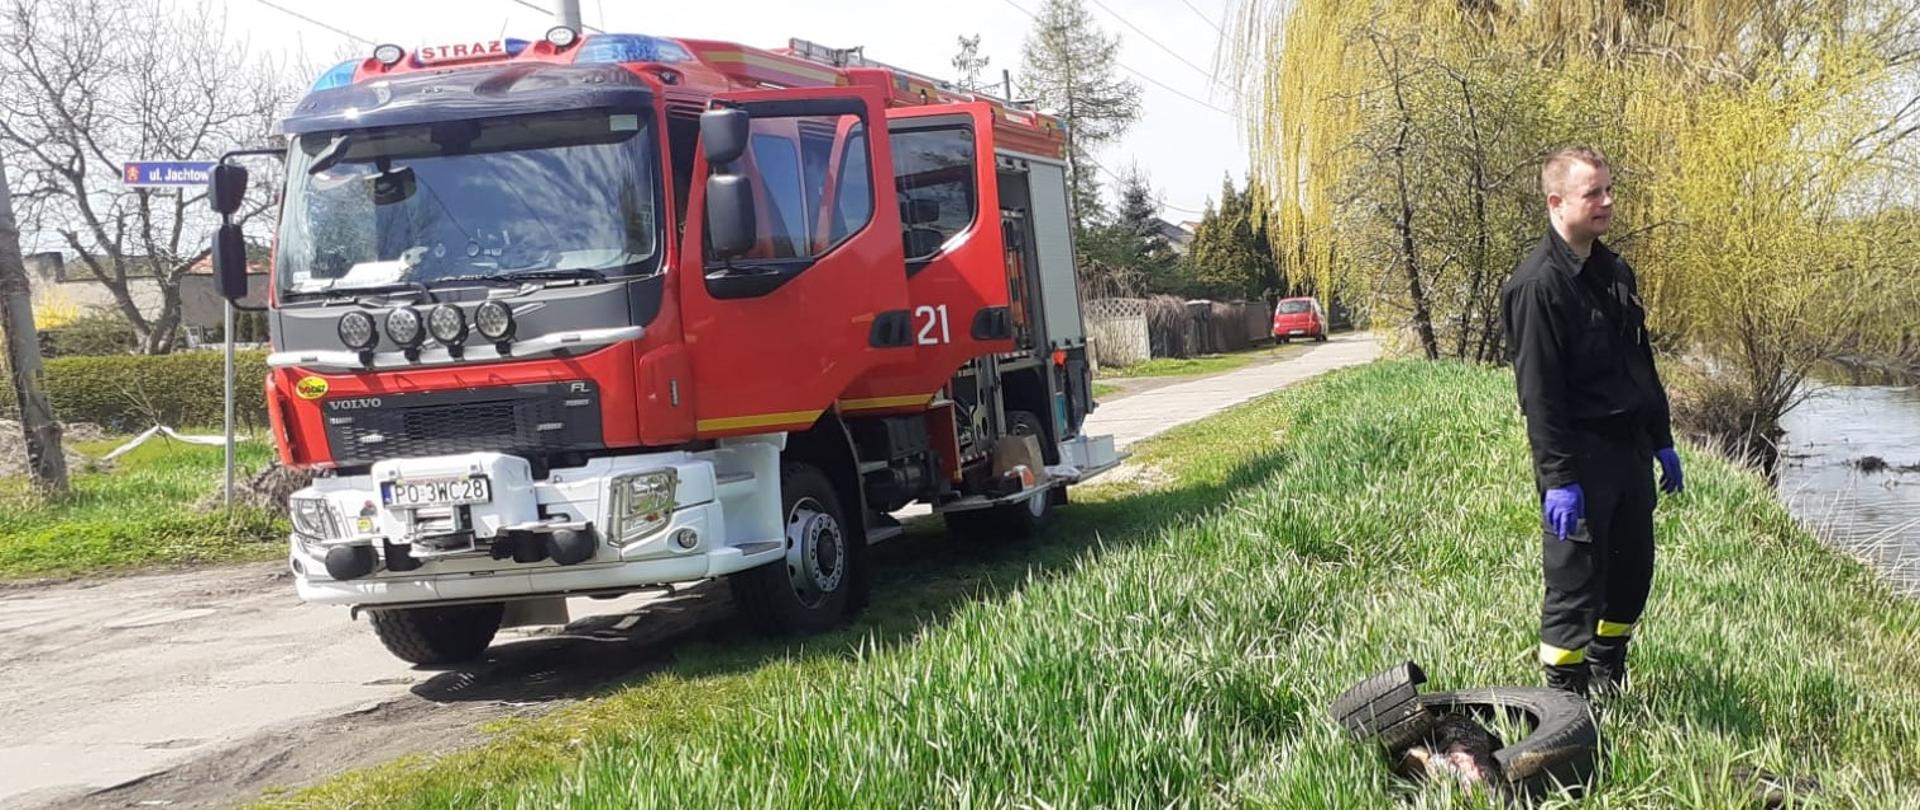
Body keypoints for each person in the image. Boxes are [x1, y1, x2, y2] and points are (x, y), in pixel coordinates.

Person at [1499, 146, 1685, 698]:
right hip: (1579, 459)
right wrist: (1558, 480)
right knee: (1575, 588)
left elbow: (1639, 361)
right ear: (1557, 203)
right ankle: (1565, 699)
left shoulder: (1613, 271)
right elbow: (1540, 396)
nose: (1607, 201)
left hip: (1628, 452)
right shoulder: (1536, 287)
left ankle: (1608, 674)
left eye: (1609, 190)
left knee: (1631, 578)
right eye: (1593, 193)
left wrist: (1662, 439)